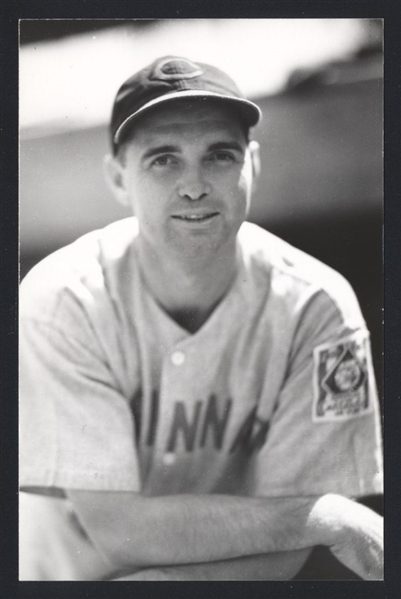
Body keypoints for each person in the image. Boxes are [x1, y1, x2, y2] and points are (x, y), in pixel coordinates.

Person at [19, 56, 383, 581]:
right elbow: (120, 531)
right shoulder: (62, 297)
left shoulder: (317, 307)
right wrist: (326, 517)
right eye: (163, 159)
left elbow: (286, 550)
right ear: (118, 179)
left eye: (219, 155)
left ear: (252, 164)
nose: (194, 185)